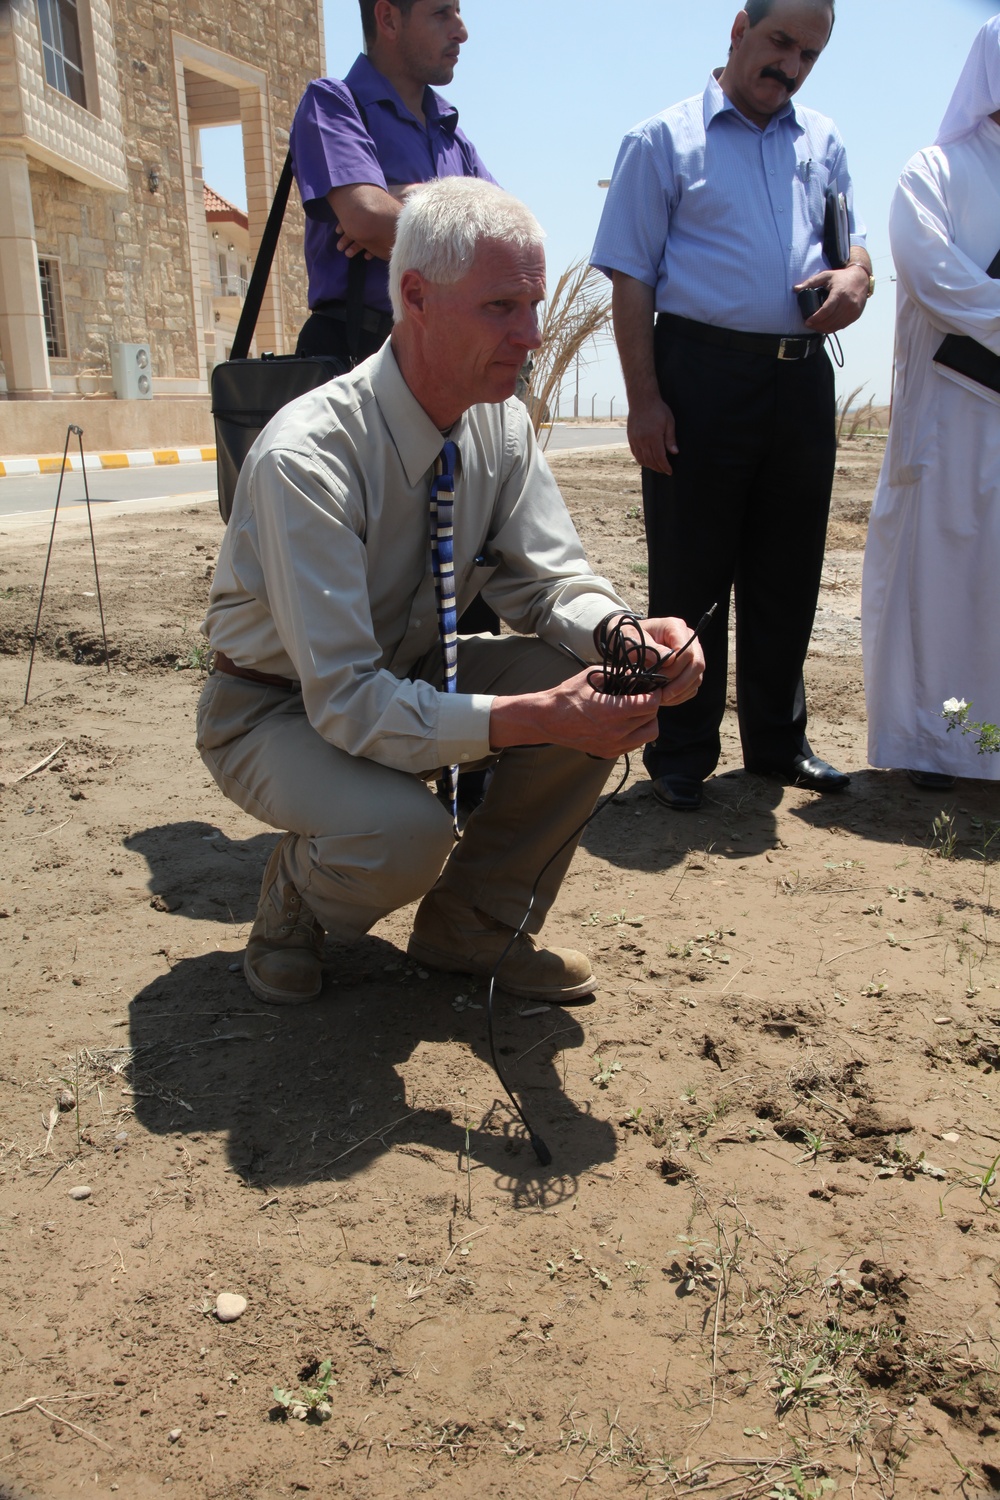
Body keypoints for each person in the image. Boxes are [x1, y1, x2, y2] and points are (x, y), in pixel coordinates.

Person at [196, 179, 705, 1009]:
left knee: (583, 674)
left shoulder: (499, 425)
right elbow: (349, 703)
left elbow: (550, 582)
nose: (531, 336)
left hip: (409, 671)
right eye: (502, 306)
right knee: (405, 832)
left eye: (534, 306)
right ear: (415, 297)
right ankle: (293, 900)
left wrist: (623, 637)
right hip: (275, 710)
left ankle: (474, 924)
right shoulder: (308, 458)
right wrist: (538, 717)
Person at [591, 0, 872, 813]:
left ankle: (779, 745)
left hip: (799, 378)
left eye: (809, 54)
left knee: (790, 568)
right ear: (738, 28)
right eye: (780, 42)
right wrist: (645, 400)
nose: (790, 65)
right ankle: (679, 750)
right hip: (699, 374)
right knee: (691, 569)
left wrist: (857, 276)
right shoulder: (661, 140)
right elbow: (632, 278)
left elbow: (846, 239)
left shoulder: (824, 141)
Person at [862, 16, 1000, 791]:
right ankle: (934, 748)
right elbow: (935, 280)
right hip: (950, 420)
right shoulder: (934, 171)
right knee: (943, 583)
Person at [290, 0, 494, 362]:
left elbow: (508, 237)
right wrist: (465, 228)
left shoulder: (452, 134)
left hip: (444, 361)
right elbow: (367, 218)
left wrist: (419, 200)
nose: (461, 31)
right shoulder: (333, 104)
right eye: (441, 13)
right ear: (388, 18)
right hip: (357, 357)